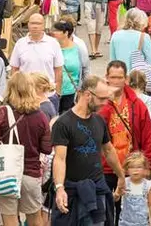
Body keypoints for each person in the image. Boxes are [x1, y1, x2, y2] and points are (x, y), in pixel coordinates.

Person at [51, 76, 125, 225]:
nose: (105, 103)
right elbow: (59, 159)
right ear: (87, 95)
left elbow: (109, 150)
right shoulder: (63, 123)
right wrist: (59, 188)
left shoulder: (99, 121)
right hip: (71, 192)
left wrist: (121, 176)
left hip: (96, 190)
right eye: (102, 99)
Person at [0, 72, 52, 226]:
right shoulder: (40, 116)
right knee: (35, 219)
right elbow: (47, 148)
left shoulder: (0, 114)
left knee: (10, 221)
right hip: (31, 174)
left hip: (6, 176)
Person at [99, 61, 151, 224]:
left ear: (126, 79)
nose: (116, 81)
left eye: (119, 77)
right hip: (105, 168)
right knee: (105, 215)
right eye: (112, 77)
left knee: (129, 215)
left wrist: (148, 165)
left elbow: (147, 137)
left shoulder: (137, 105)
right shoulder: (100, 104)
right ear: (107, 78)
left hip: (130, 169)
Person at [10, 13, 63, 99]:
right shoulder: (20, 44)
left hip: (47, 95)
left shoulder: (53, 43)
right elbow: (14, 69)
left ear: (43, 25)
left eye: (38, 24)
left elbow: (58, 70)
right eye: (32, 23)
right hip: (25, 95)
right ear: (28, 25)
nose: (35, 26)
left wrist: (57, 92)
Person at [52, 19, 85, 113]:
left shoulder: (78, 49)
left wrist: (82, 90)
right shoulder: (51, 48)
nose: (54, 33)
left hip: (70, 92)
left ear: (66, 33)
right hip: (52, 91)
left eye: (57, 31)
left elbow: (85, 69)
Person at [109, 8, 151, 72]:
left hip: (121, 74)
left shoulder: (115, 35)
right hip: (137, 76)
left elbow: (112, 59)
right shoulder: (144, 37)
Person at [116, 151, 151, 226]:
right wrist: (118, 192)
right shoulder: (124, 182)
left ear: (144, 169)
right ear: (127, 169)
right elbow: (116, 198)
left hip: (142, 223)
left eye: (139, 167)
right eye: (132, 167)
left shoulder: (148, 185)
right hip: (125, 223)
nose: (135, 170)